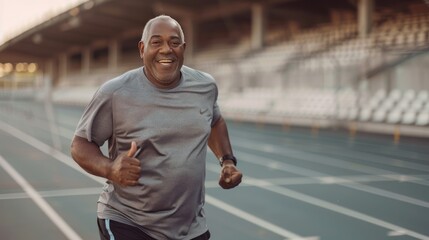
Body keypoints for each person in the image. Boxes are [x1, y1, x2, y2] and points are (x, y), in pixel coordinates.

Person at [70, 15, 243, 240]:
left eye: (174, 42)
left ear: (183, 48)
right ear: (142, 49)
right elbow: (80, 145)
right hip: (129, 222)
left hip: (190, 227)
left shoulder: (205, 87)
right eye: (156, 42)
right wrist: (110, 169)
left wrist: (227, 161)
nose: (166, 50)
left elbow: (215, 121)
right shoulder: (115, 92)